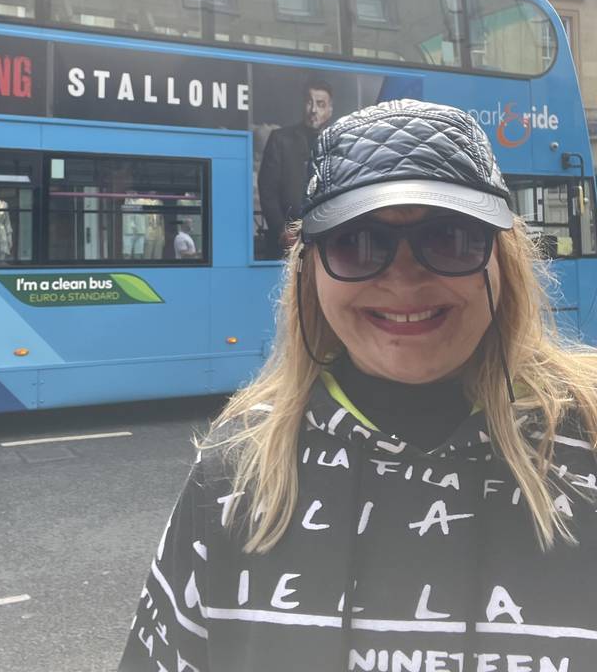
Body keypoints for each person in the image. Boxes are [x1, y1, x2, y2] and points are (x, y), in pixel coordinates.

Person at [118, 99, 597, 672]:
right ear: (308, 270)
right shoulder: (235, 469)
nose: (404, 278)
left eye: (450, 237)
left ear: (503, 259)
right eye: (356, 242)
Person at [258, 79, 333, 258]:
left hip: (328, 240)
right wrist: (281, 230)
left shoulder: (339, 141)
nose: (313, 110)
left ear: (330, 110)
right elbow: (267, 190)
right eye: (309, 102)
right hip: (290, 243)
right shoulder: (280, 139)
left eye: (320, 104)